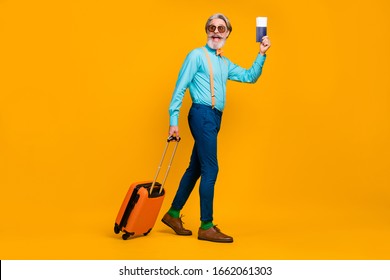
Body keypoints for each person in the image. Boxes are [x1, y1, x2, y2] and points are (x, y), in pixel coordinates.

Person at [161, 13, 271, 243]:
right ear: (206, 30)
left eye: (221, 28)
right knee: (212, 169)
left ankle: (173, 214)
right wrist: (173, 120)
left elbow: (250, 77)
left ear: (228, 33)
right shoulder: (196, 56)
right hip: (202, 114)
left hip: (213, 118)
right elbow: (180, 87)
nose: (216, 31)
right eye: (212, 27)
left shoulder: (224, 62)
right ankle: (206, 226)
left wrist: (261, 53)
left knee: (196, 168)